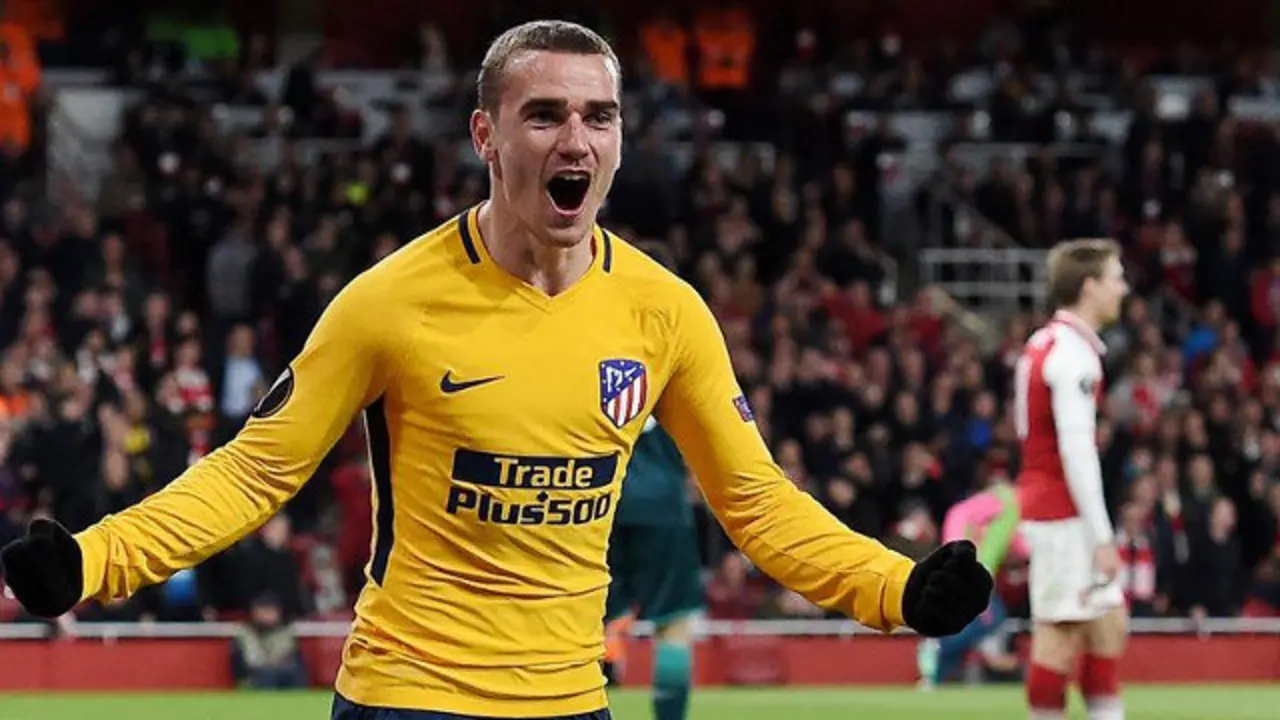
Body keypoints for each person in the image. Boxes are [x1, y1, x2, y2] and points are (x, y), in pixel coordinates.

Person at [0, 21, 992, 720]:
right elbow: (255, 469)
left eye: (597, 117)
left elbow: (757, 503)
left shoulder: (664, 311)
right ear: (485, 135)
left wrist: (893, 588)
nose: (575, 140)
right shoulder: (388, 302)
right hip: (408, 699)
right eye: (545, 114)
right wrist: (91, 561)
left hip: (570, 703)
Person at [1014, 238, 1131, 720]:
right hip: (1063, 518)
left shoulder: (1046, 344)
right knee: (1058, 641)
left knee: (1108, 625)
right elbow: (1076, 451)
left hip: (1057, 509)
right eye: (1115, 278)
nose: (1123, 289)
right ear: (1089, 286)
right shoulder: (1072, 356)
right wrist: (1102, 536)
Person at [602, 409, 702, 720]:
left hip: (599, 503)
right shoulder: (669, 365)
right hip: (663, 506)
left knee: (581, 621)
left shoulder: (578, 364)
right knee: (673, 625)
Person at [917, 467, 1027, 688]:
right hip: (966, 565)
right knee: (991, 616)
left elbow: (1014, 545)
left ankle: (933, 679)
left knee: (977, 618)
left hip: (962, 562)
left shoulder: (1002, 507)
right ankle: (939, 645)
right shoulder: (1010, 500)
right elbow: (967, 519)